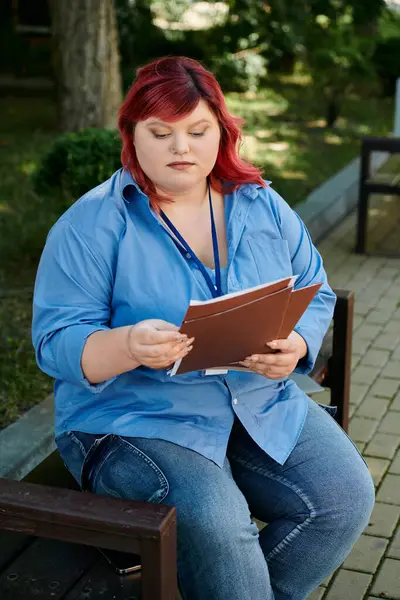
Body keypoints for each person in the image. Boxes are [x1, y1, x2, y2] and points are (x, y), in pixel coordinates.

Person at [32, 56, 375, 600]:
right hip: (135, 418)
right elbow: (55, 345)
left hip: (254, 397)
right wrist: (124, 344)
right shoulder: (90, 224)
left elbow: (316, 285)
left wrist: (299, 343)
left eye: (197, 131)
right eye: (160, 133)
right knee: (219, 525)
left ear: (222, 130)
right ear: (132, 134)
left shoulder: (261, 204)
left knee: (344, 497)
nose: (181, 148)